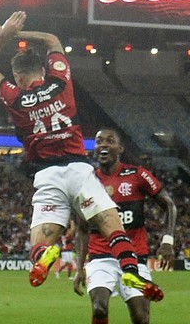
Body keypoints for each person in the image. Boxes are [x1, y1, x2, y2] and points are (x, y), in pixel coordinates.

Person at [0, 11, 163, 300]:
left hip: (47, 174)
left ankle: (45, 255)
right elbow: (52, 40)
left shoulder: (15, 98)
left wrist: (2, 37)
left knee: (40, 239)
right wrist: (18, 34)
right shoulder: (60, 81)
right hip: (78, 169)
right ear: (42, 69)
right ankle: (130, 269)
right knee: (110, 223)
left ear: (17, 76)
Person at [73, 128, 178, 324]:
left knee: (140, 317)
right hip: (100, 258)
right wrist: (79, 267)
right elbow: (82, 229)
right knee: (99, 307)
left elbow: (169, 205)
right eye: (99, 141)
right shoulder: (88, 182)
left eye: (109, 141)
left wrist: (168, 241)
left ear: (120, 148)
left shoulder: (137, 175)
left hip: (135, 257)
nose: (103, 144)